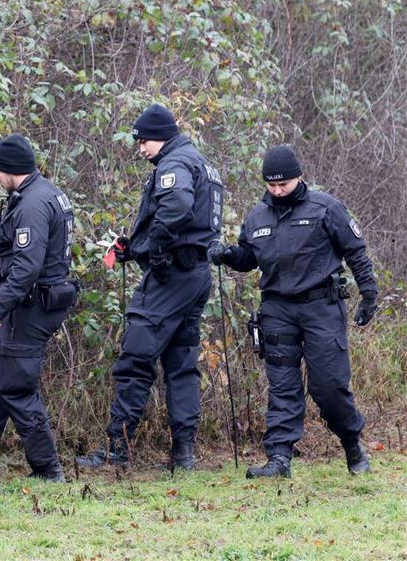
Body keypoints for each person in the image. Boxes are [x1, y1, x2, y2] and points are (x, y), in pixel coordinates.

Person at [209, 144, 377, 478]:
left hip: (321, 306)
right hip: (277, 309)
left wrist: (369, 294)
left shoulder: (325, 208)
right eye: (271, 185)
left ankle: (351, 443)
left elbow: (356, 251)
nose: (276, 190)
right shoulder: (257, 217)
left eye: (282, 184)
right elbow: (248, 258)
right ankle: (279, 458)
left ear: (298, 177)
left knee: (328, 386)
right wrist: (227, 255)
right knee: (282, 385)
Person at [77, 104, 224, 471]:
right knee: (181, 364)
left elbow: (177, 208)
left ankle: (118, 447)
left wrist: (156, 247)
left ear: (162, 136)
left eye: (144, 141)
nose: (141, 148)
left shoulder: (175, 163)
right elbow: (188, 224)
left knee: (136, 357)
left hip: (170, 278)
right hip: (195, 273)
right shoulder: (199, 162)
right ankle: (183, 454)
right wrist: (135, 248)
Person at [0, 133, 78, 482]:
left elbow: (27, 267)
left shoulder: (31, 205)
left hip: (30, 306)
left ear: (11, 169)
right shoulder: (46, 192)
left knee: (15, 385)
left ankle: (47, 468)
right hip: (36, 301)